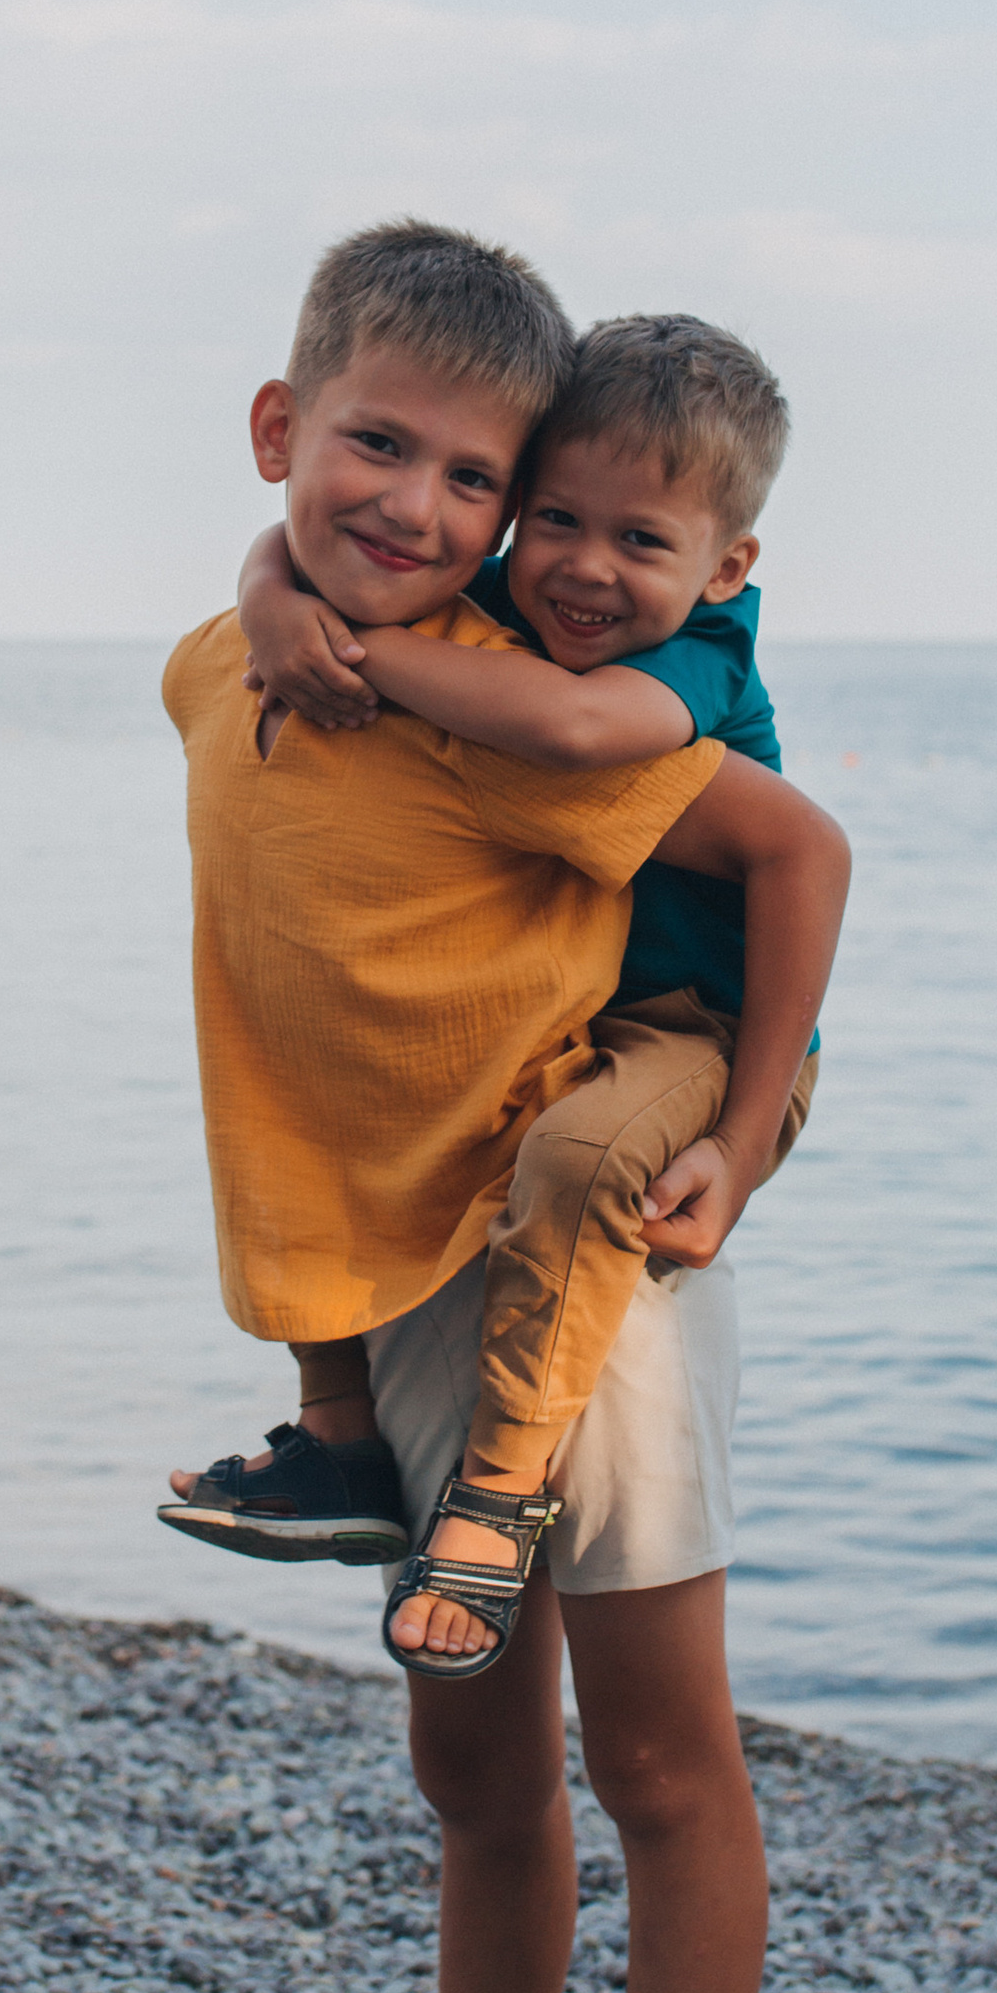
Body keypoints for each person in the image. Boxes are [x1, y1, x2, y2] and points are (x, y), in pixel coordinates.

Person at [159, 219, 849, 1993]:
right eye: (392, 456)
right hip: (410, 1270)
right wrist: (273, 592)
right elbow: (256, 626)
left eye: (478, 479)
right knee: (469, 1765)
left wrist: (743, 1132)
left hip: (598, 1258)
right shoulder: (259, 654)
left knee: (658, 1764)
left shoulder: (517, 711)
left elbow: (790, 849)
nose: (427, 509)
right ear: (281, 431)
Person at [171, 310, 817, 1672]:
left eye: (640, 540)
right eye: (554, 520)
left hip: (706, 1033)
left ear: (723, 565)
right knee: (289, 1041)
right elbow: (290, 557)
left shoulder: (677, 659)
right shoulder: (485, 627)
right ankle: (337, 1432)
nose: (585, 566)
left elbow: (600, 742)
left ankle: (502, 1488)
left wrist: (749, 1136)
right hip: (564, 1044)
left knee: (582, 1158)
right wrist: (273, 598)